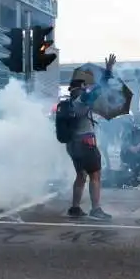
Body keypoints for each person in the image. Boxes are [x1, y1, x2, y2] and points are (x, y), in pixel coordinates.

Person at [59, 54, 116, 220]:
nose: (86, 88)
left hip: (72, 144)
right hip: (85, 143)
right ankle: (96, 209)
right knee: (95, 175)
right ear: (79, 88)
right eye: (84, 86)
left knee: (81, 175)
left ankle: (75, 208)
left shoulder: (69, 104)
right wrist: (107, 72)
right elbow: (98, 90)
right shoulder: (81, 101)